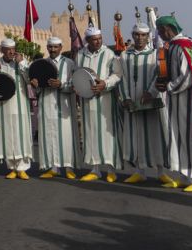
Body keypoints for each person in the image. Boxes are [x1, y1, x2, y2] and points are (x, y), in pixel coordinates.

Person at [119, 24, 171, 185]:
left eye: (143, 35)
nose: (140, 38)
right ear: (133, 36)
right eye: (137, 35)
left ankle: (161, 171)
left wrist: (150, 92)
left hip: (152, 101)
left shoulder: (155, 54)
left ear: (148, 36)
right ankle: (139, 171)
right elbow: (122, 77)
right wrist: (125, 97)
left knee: (156, 135)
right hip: (134, 101)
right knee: (136, 135)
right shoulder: (125, 55)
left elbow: (159, 75)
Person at [155, 15, 192, 192]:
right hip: (176, 99)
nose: (159, 34)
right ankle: (186, 175)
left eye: (160, 31)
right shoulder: (172, 47)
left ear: (168, 28)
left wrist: (169, 86)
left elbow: (188, 75)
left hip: (188, 98)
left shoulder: (186, 46)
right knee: (180, 136)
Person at [75, 27, 123, 182]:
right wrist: (78, 87)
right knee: (90, 133)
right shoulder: (80, 54)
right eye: (94, 39)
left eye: (100, 38)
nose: (98, 41)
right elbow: (77, 74)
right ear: (87, 40)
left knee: (108, 135)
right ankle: (95, 169)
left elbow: (117, 74)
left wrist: (105, 83)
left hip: (105, 101)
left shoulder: (109, 53)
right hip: (87, 101)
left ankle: (111, 170)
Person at [30, 37, 80, 179]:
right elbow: (38, 89)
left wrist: (61, 84)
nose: (52, 49)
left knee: (66, 137)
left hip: (64, 107)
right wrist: (35, 85)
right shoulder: (41, 64)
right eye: (50, 47)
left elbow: (75, 84)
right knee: (49, 136)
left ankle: (69, 167)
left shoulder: (70, 64)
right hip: (46, 105)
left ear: (60, 47)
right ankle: (53, 167)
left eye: (55, 47)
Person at [0, 39, 32, 180]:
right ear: (2, 49)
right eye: (8, 49)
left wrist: (21, 63)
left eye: (13, 48)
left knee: (21, 134)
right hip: (4, 105)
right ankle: (11, 167)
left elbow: (30, 80)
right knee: (8, 135)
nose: (11, 52)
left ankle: (22, 167)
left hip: (20, 104)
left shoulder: (22, 62)